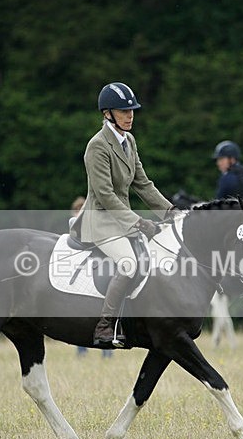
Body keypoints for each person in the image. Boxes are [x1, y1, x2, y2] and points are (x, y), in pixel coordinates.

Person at [71, 82, 176, 347]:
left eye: (132, 111)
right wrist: (139, 222)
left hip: (122, 221)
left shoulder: (129, 140)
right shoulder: (97, 146)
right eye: (123, 111)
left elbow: (143, 183)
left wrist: (170, 212)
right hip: (100, 222)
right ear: (107, 114)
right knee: (129, 263)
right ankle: (105, 326)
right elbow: (105, 195)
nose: (130, 116)